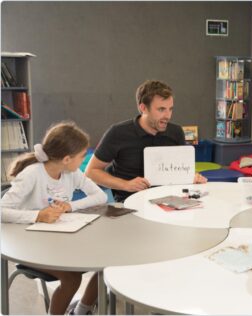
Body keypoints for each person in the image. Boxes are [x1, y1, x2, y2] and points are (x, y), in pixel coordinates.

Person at [1, 122, 107, 315]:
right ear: (67, 158)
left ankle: (81, 311)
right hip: (29, 246)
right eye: (82, 156)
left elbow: (100, 196)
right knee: (72, 279)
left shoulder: (72, 172)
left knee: (105, 264)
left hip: (59, 241)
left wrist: (71, 206)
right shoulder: (32, 174)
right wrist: (38, 215)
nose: (85, 159)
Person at [85, 80, 206, 202]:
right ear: (143, 108)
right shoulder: (118, 133)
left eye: (170, 109)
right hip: (130, 204)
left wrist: (192, 176)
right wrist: (126, 185)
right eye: (161, 109)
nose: (168, 116)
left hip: (169, 202)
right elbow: (91, 171)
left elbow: (181, 170)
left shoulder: (176, 132)